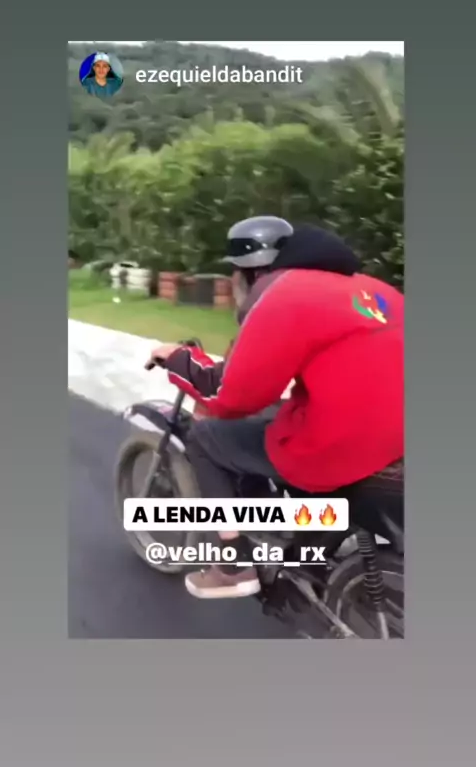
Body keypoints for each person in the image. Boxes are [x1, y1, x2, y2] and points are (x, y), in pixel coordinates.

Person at [147, 217, 404, 599]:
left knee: (206, 437)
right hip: (401, 435)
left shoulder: (283, 297)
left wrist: (177, 358)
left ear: (244, 274)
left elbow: (232, 396)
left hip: (344, 444)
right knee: (283, 414)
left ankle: (234, 566)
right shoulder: (375, 290)